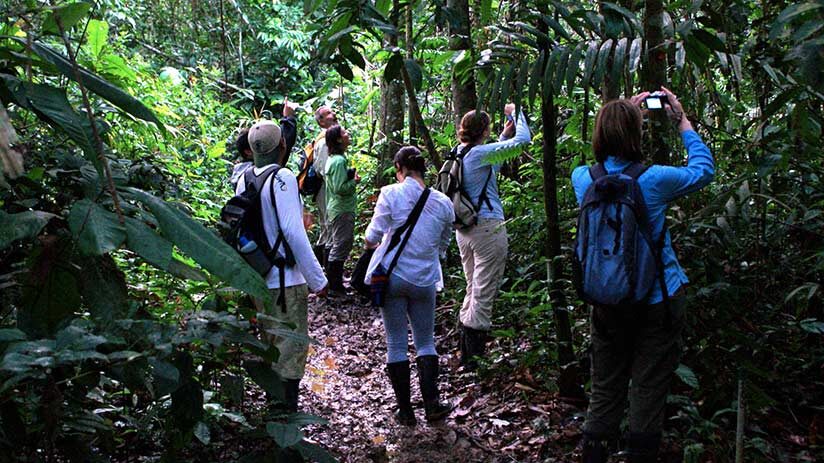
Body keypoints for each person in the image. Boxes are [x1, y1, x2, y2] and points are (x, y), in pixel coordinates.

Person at [571, 88, 714, 462]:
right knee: (647, 389)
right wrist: (681, 121)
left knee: (605, 387)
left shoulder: (582, 179)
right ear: (636, 134)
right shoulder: (655, 180)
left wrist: (620, 111)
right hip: (658, 298)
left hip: (605, 299)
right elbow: (704, 170)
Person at [237, 100, 328, 413]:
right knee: (288, 356)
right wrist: (318, 280)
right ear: (282, 145)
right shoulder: (283, 178)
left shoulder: (243, 177)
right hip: (285, 282)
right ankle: (284, 429)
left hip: (257, 279)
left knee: (271, 350)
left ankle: (273, 420)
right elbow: (293, 232)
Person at [364, 146, 455, 425]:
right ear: (423, 169)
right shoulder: (443, 203)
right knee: (426, 341)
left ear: (398, 169)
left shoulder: (391, 192)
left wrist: (374, 244)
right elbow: (443, 246)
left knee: (396, 342)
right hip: (425, 279)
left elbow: (372, 235)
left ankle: (405, 411)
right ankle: (432, 404)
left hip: (393, 278)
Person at [455, 103, 531, 368]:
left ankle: (466, 355)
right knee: (484, 291)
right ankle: (474, 362)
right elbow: (524, 141)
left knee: (473, 289)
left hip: (465, 230)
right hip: (487, 228)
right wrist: (516, 112)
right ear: (483, 130)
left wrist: (501, 138)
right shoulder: (478, 155)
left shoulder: (460, 153)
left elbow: (489, 171)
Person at [323, 124, 359, 296]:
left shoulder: (334, 159)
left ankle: (332, 281)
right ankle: (335, 286)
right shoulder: (338, 161)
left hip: (336, 208)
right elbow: (339, 188)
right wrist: (354, 182)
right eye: (344, 132)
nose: (348, 134)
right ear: (338, 139)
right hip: (342, 209)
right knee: (342, 243)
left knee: (336, 243)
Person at [307, 106, 336, 267]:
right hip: (326, 189)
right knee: (329, 225)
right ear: (321, 121)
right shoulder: (324, 141)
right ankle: (327, 270)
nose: (334, 115)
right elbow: (324, 170)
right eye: (328, 114)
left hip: (327, 189)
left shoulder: (329, 139)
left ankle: (321, 268)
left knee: (327, 227)